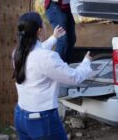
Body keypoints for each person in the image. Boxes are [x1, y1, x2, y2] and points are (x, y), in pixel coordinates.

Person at [12, 12, 99, 140]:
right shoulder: (47, 57)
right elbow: (74, 78)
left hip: (20, 116)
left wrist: (54, 37)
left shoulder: (17, 53)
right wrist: (86, 62)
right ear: (39, 31)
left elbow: (37, 51)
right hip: (41, 121)